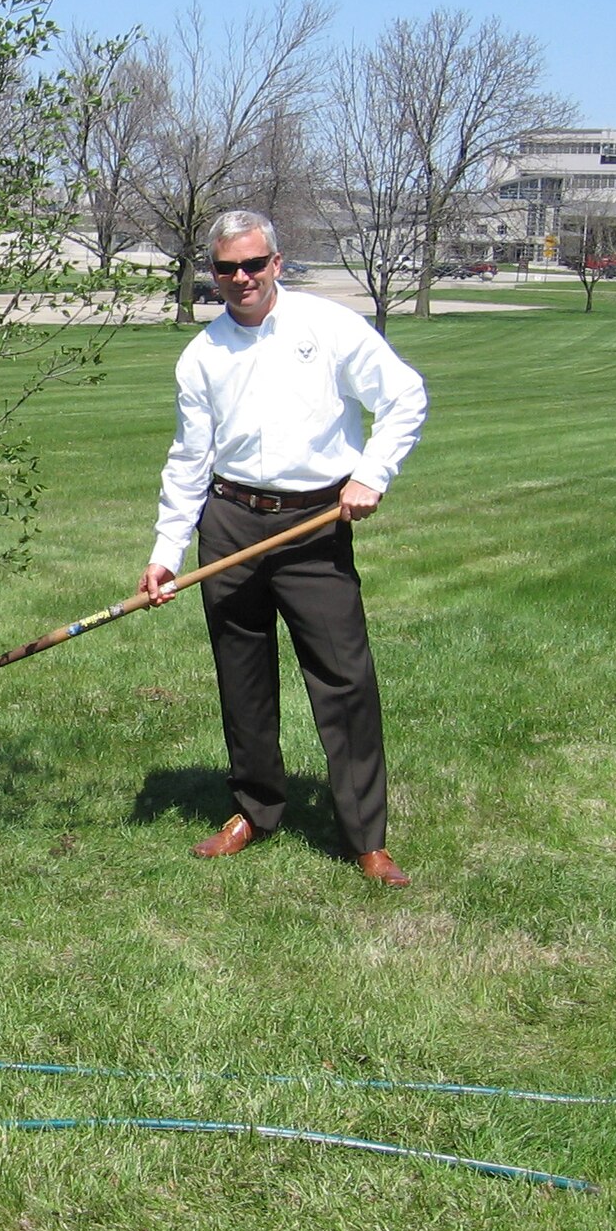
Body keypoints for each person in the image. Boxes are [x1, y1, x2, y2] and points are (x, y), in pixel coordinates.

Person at [140, 211, 427, 886]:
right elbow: (188, 459)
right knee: (241, 677)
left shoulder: (327, 328)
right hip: (231, 522)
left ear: (277, 262)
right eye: (226, 268)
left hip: (314, 523)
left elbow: (406, 396)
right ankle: (254, 808)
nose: (241, 278)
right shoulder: (202, 355)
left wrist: (371, 473)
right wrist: (166, 551)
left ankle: (365, 837)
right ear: (212, 273)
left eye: (253, 264)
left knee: (343, 678)